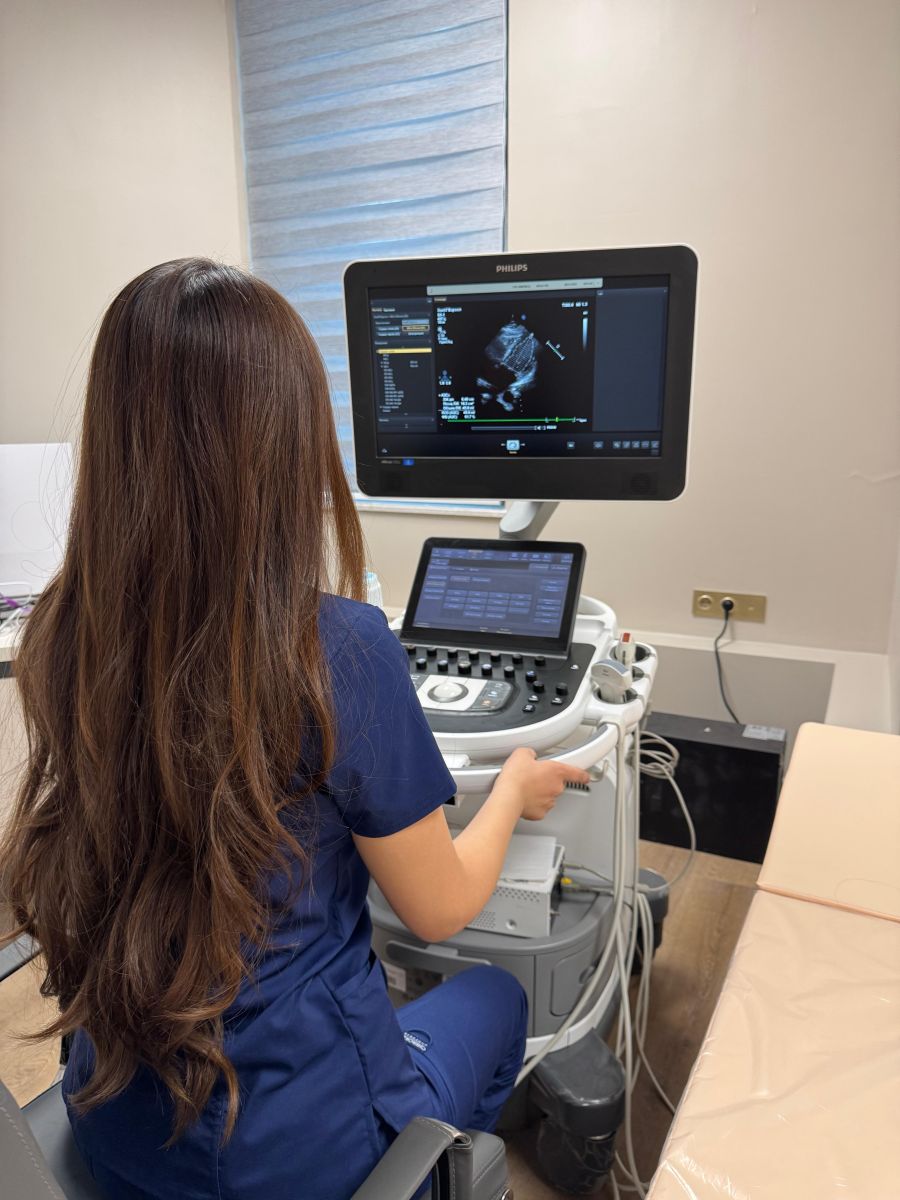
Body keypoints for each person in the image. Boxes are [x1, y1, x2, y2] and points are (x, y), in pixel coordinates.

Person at [0, 259, 589, 1199]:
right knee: (494, 995)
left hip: (113, 1120)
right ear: (287, 442)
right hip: (294, 1157)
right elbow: (439, 910)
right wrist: (514, 788)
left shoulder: (66, 630)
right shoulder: (338, 651)